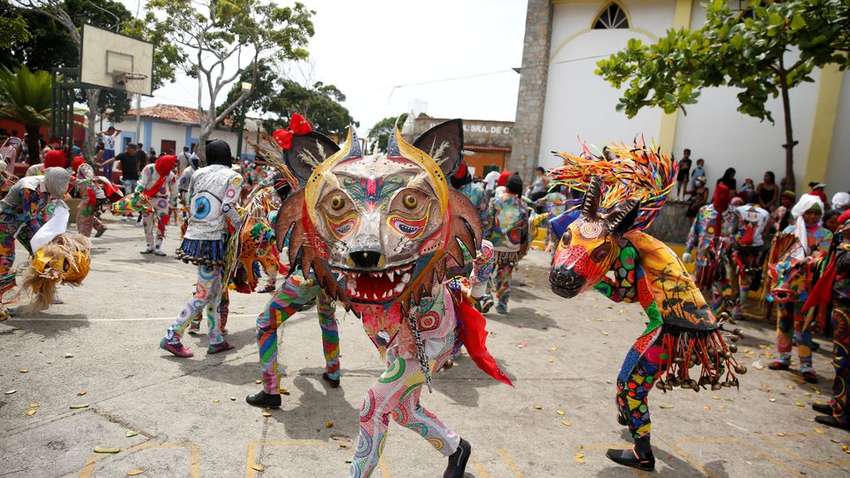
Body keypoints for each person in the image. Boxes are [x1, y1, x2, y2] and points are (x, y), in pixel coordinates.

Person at [547, 142, 743, 472]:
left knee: (630, 386)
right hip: (675, 323)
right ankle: (629, 413)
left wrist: (595, 282)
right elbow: (637, 289)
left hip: (670, 326)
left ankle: (642, 453)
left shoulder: (626, 246)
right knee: (628, 384)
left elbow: (624, 293)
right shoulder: (640, 242)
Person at [161, 140, 242, 357]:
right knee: (204, 292)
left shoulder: (197, 173)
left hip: (194, 236)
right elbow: (227, 207)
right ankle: (173, 334)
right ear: (229, 156)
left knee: (214, 291)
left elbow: (190, 200)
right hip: (214, 239)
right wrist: (243, 226)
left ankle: (215, 337)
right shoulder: (234, 176)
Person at [769, 194, 833, 382]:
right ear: (801, 212)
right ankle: (783, 358)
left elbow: (824, 258)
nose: (813, 216)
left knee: (803, 326)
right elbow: (777, 257)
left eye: (816, 213)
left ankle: (806, 365)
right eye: (809, 212)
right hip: (786, 286)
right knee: (784, 322)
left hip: (807, 289)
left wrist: (812, 260)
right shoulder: (789, 231)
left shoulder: (825, 235)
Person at [0, 167, 72, 320]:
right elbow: (30, 218)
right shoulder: (30, 188)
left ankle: (45, 293)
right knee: (5, 260)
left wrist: (53, 235)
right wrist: (47, 239)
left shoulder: (47, 188)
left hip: (24, 222)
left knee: (43, 256)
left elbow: (40, 214)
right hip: (5, 222)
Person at [805, 210, 850, 430]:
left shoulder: (846, 249)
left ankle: (843, 413)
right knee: (841, 359)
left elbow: (843, 264)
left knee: (845, 361)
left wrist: (845, 244)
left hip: (847, 308)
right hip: (842, 306)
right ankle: (837, 403)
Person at [484, 173, 530, 314]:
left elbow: (488, 223)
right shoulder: (523, 206)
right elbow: (525, 229)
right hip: (511, 248)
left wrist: (484, 239)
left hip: (493, 245)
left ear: (506, 187)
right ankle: (502, 305)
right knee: (505, 276)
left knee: (485, 273)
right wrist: (523, 246)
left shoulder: (495, 202)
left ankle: (486, 297)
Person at [732, 191, 770, 319]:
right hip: (755, 249)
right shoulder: (765, 213)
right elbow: (765, 232)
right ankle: (739, 309)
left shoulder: (738, 210)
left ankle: (734, 307)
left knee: (734, 276)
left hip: (739, 247)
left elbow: (733, 229)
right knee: (746, 280)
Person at [137, 154, 178, 255]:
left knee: (162, 224)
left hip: (162, 201)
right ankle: (149, 245)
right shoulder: (149, 169)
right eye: (172, 165)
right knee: (147, 223)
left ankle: (158, 246)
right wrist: (138, 193)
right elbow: (142, 182)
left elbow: (174, 190)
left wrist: (173, 204)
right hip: (147, 199)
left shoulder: (170, 175)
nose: (173, 167)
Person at [71, 156, 106, 238]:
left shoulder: (83, 166)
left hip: (91, 197)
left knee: (83, 219)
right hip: (92, 196)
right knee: (86, 216)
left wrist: (75, 181)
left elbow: (89, 178)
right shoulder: (80, 169)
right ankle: (100, 226)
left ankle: (83, 241)